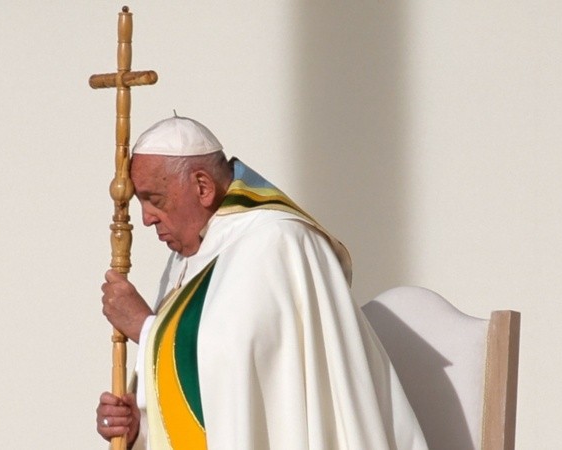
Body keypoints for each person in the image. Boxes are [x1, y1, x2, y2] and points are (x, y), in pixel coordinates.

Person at [96, 115, 427, 449]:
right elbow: (217, 403)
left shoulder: (276, 240)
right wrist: (142, 423)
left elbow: (235, 362)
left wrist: (145, 328)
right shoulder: (190, 256)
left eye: (156, 199)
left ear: (202, 187)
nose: (147, 217)